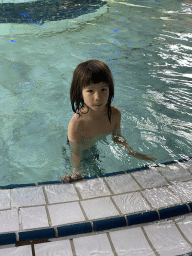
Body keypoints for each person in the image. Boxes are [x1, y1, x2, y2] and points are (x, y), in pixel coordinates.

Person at [60, 59, 156, 182]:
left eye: (103, 89)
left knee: (101, 177)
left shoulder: (115, 114)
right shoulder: (77, 124)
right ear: (80, 92)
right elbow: (75, 154)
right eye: (90, 91)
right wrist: (75, 171)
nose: (98, 97)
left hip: (92, 148)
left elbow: (117, 137)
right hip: (74, 153)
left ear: (110, 88)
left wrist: (132, 152)